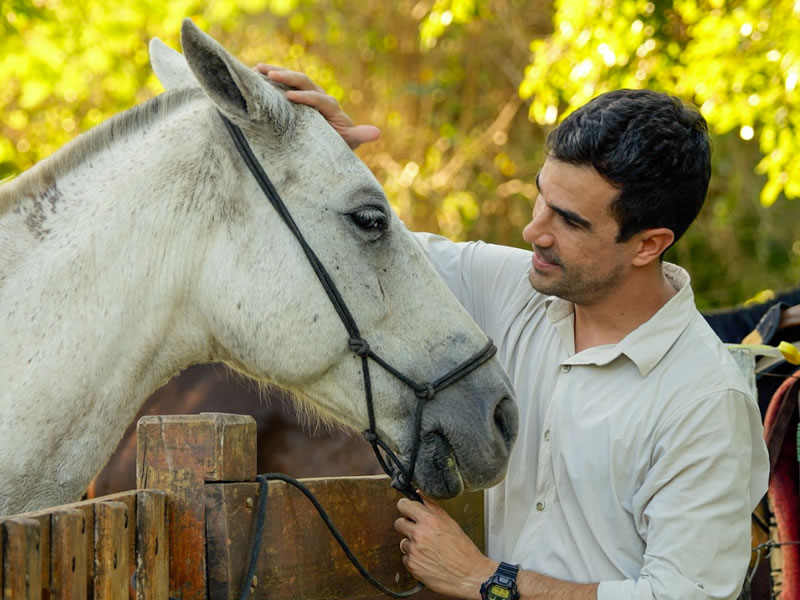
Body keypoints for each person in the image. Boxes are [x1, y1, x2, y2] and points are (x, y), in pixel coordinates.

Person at [255, 64, 770, 600]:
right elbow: (367, 252)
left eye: (570, 221)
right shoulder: (515, 288)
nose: (534, 230)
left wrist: (486, 580)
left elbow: (682, 596)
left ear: (648, 245)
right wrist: (323, 160)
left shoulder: (707, 401)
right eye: (541, 196)